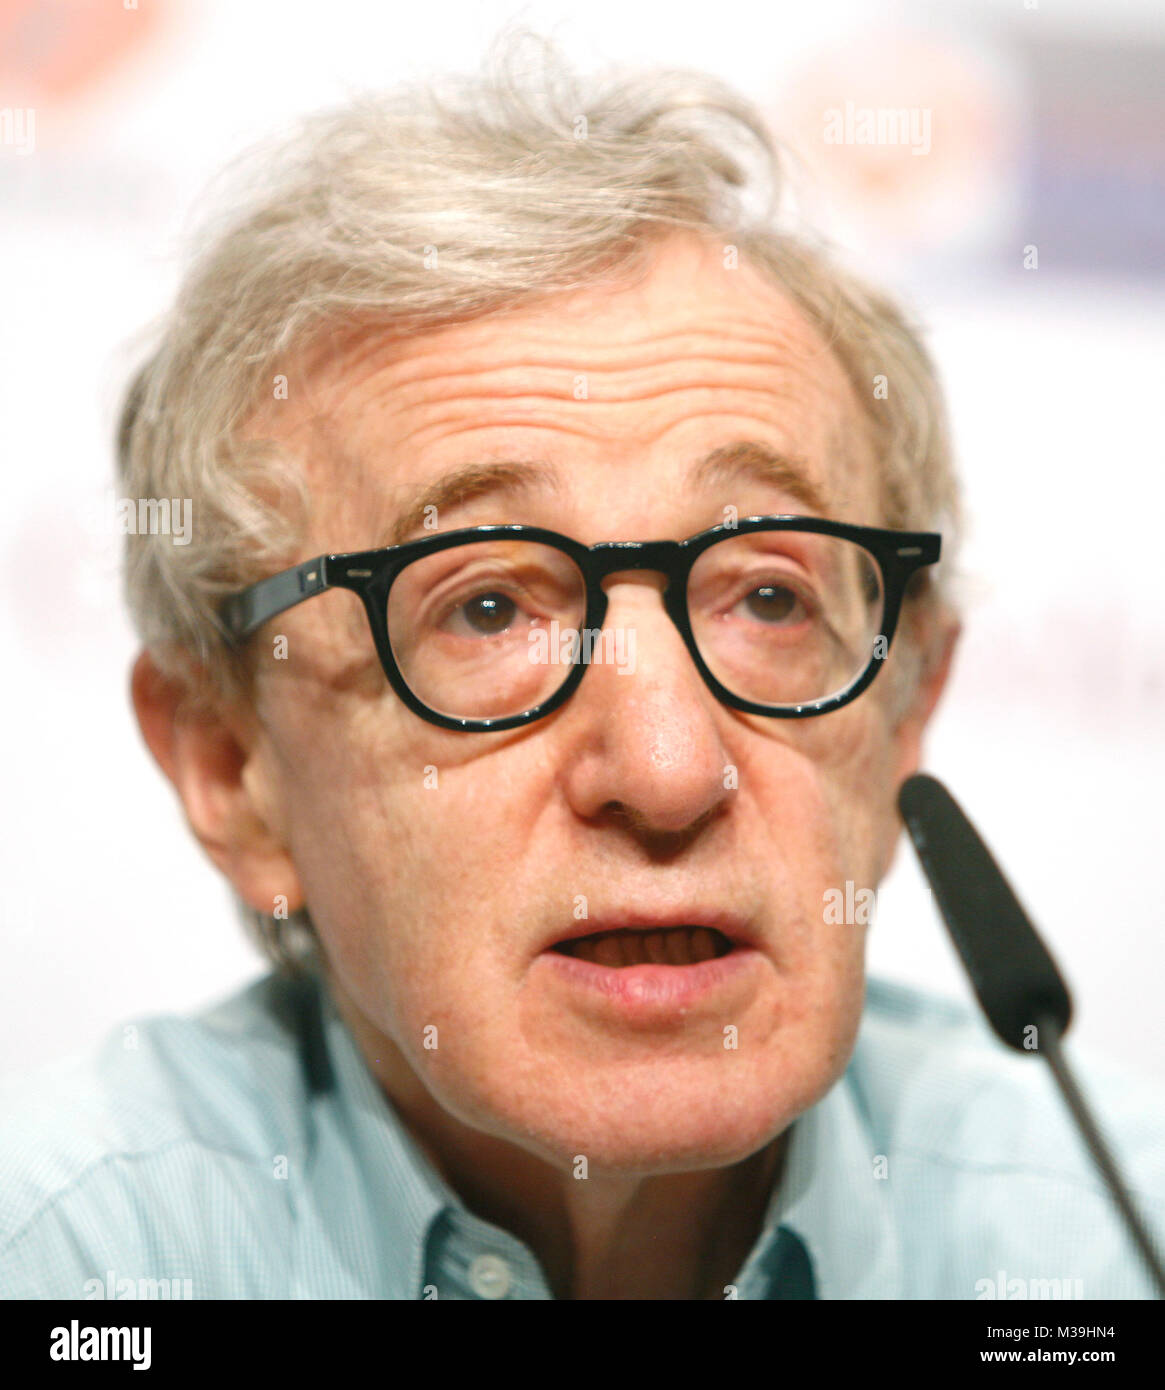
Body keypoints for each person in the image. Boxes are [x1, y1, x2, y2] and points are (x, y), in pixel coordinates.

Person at [3, 36, 1160, 1301]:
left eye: (767, 597)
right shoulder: (72, 1268)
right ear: (230, 767)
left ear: (903, 716)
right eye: (487, 605)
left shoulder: (1103, 1250)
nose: (667, 771)